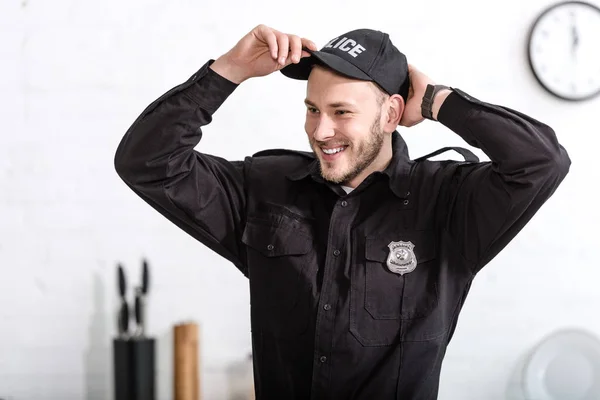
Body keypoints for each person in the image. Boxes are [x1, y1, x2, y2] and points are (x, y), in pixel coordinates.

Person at [114, 24, 570, 399]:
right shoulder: (265, 188)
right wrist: (229, 70)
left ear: (391, 113)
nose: (320, 130)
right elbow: (148, 163)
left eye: (341, 111)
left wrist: (436, 101)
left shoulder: (449, 203)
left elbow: (542, 162)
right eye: (312, 109)